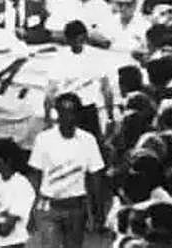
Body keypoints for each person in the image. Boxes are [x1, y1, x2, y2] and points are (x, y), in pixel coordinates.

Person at [28, 92, 106, 248]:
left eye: (72, 112)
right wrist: (30, 209)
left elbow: (96, 177)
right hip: (49, 207)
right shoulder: (44, 139)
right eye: (64, 112)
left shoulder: (88, 140)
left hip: (76, 208)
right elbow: (35, 175)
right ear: (58, 113)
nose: (68, 117)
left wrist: (98, 211)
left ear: (78, 115)